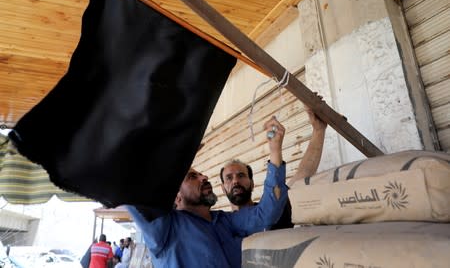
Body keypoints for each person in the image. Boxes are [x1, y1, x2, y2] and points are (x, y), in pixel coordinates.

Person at [128, 116, 288, 267]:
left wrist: (275, 150)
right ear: (176, 196)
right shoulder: (166, 228)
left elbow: (267, 213)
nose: (204, 177)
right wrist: (174, 160)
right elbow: (136, 185)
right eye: (192, 177)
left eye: (201, 174)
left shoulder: (226, 221)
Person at [220, 107, 327, 229]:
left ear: (252, 183)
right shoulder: (224, 228)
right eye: (229, 178)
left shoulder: (277, 208)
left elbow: (303, 173)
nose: (235, 181)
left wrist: (319, 130)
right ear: (223, 189)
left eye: (241, 175)